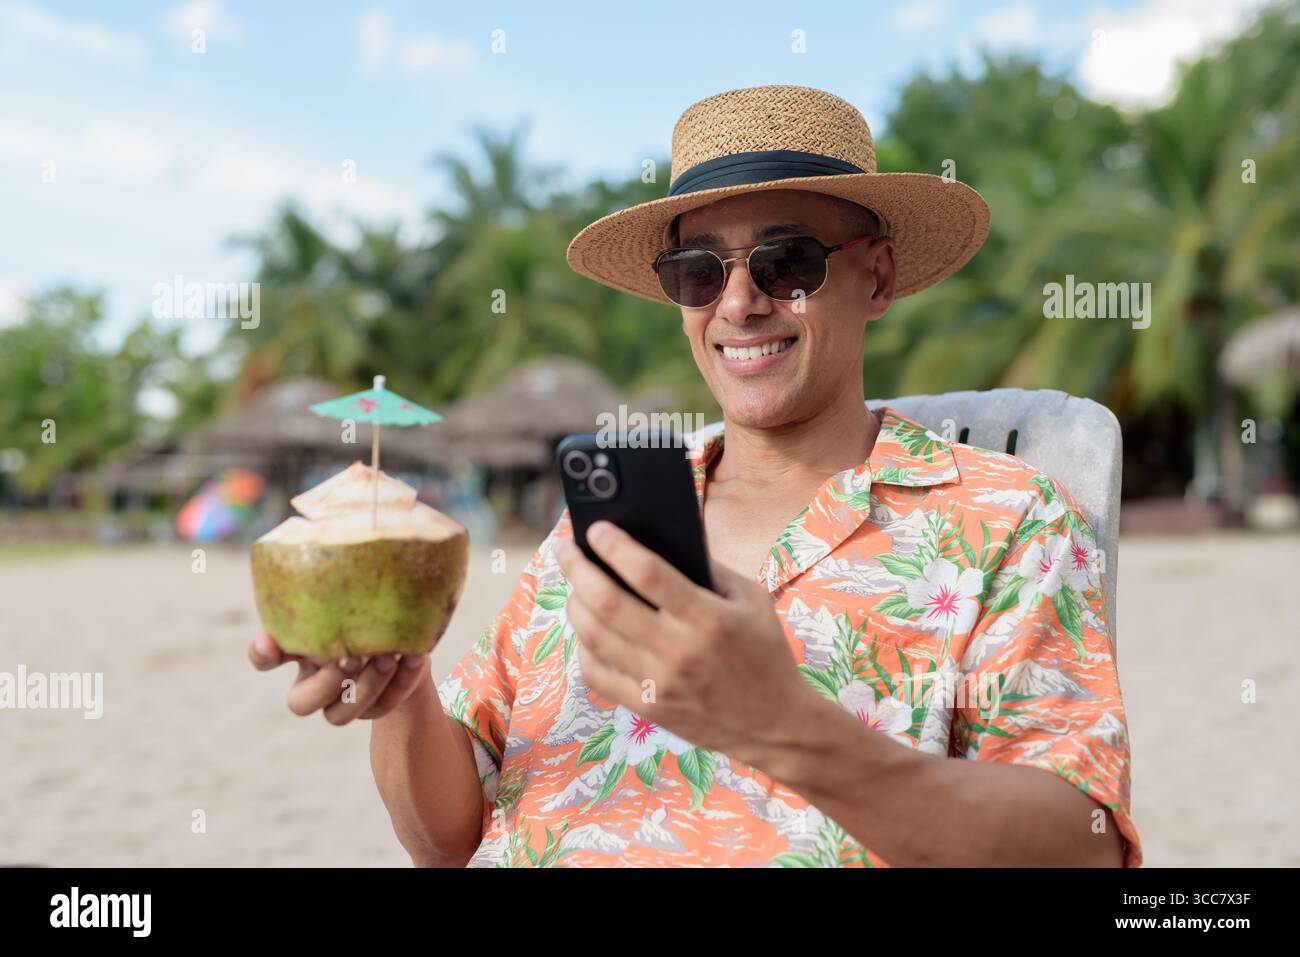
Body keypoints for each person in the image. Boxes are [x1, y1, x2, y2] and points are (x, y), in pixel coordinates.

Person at [250, 84, 1140, 868]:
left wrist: (788, 728)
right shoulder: (607, 522)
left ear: (877, 274)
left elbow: (1077, 846)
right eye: (697, 271)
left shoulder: (1007, 517)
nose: (740, 301)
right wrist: (403, 695)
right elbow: (447, 838)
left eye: (788, 261)